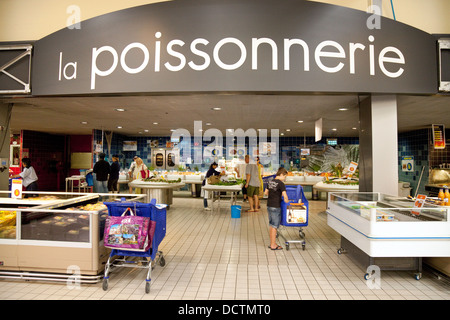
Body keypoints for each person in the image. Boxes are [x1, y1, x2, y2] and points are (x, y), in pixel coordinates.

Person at [264, 167, 289, 250]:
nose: (284, 179)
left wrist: (273, 194)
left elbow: (266, 193)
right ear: (281, 174)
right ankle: (273, 245)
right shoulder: (281, 184)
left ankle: (272, 243)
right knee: (274, 226)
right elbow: (285, 196)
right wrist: (287, 201)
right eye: (284, 177)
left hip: (269, 205)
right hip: (275, 206)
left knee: (271, 225)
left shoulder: (270, 181)